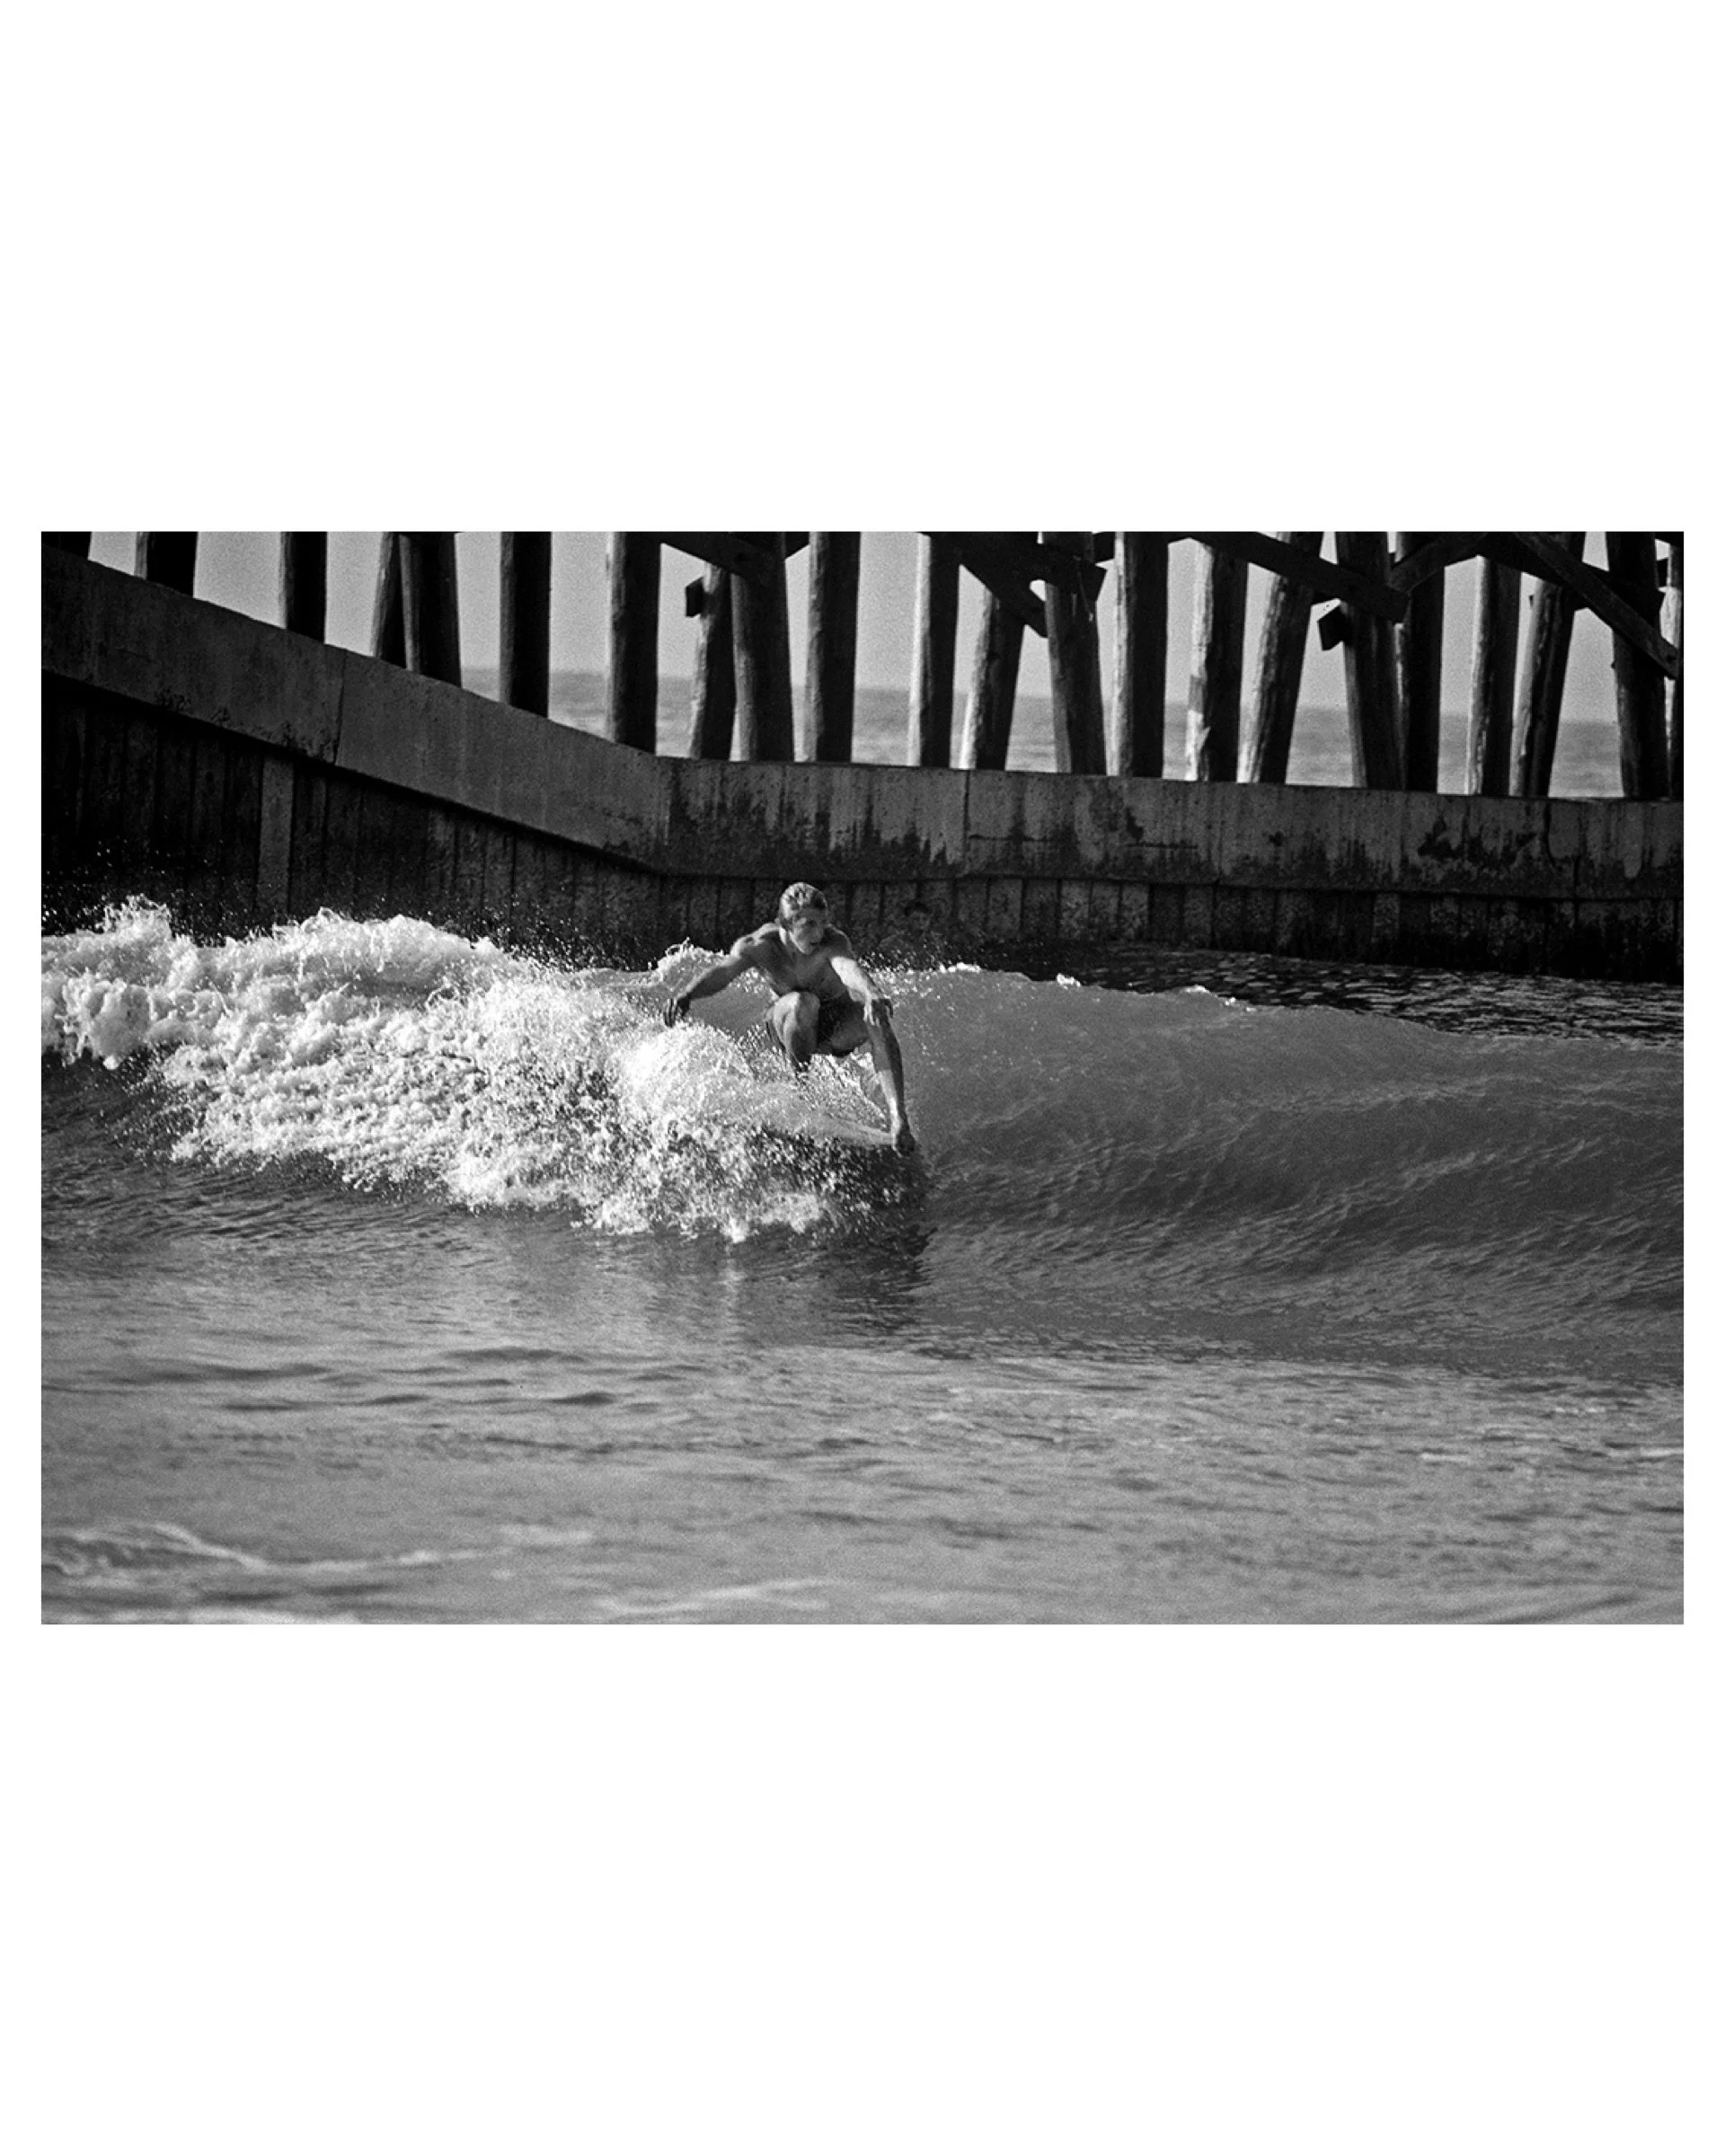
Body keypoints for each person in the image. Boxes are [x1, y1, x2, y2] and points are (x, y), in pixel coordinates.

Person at [664, 882, 916, 1153]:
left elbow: (847, 968)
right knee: (802, 1002)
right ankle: (803, 1094)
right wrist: (687, 996)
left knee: (876, 1018)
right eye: (809, 924)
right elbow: (723, 973)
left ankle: (899, 1120)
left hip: (834, 1025)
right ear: (785, 923)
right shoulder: (759, 946)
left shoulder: (833, 942)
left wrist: (871, 992)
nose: (819, 932)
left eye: (823, 922)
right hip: (789, 1025)